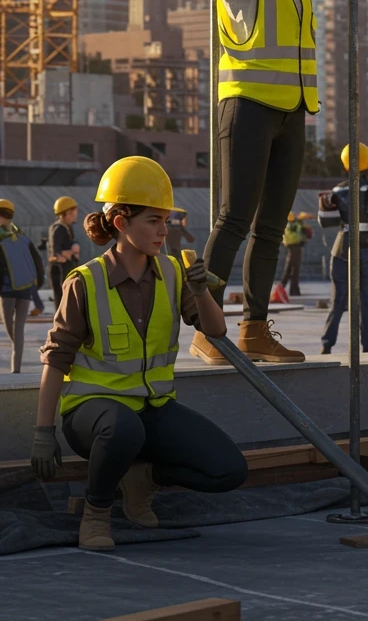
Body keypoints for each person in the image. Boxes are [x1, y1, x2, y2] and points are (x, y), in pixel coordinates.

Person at [196, 0, 367, 366]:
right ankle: (206, 328)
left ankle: (252, 329)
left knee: (271, 226)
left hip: (291, 111)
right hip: (247, 108)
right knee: (234, 218)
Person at [33, 157, 247, 550]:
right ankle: (96, 515)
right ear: (120, 223)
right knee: (123, 428)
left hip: (150, 408)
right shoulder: (86, 282)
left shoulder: (171, 273)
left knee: (229, 469)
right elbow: (56, 359)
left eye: (165, 220)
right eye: (153, 220)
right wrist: (43, 433)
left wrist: (201, 290)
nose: (163, 231)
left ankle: (141, 483)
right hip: (93, 414)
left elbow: (215, 331)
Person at [319, 143, 368, 354]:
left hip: (340, 249)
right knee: (364, 300)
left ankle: (327, 344)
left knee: (338, 299)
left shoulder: (337, 190)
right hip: (364, 251)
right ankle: (367, 345)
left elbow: (328, 221)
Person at [0, 198, 44, 372]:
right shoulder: (21, 236)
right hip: (25, 289)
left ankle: (15, 366)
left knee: (10, 327)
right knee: (19, 329)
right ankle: (16, 369)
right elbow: (36, 260)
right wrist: (37, 283)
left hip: (7, 291)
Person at [48, 196, 80, 308]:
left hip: (66, 269)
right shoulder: (59, 228)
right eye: (74, 211)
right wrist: (70, 252)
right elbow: (56, 252)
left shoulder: (67, 227)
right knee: (62, 301)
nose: (76, 214)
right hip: (60, 270)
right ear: (67, 212)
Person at [280, 212, 312, 297]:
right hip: (296, 247)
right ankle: (293, 290)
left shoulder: (288, 225)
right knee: (295, 270)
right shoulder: (299, 223)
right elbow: (308, 234)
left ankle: (283, 288)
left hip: (290, 247)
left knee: (289, 268)